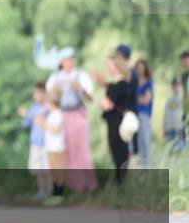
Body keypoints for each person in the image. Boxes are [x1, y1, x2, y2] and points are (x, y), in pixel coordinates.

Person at [46, 48, 98, 192]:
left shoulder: (81, 76)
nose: (70, 62)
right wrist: (55, 91)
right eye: (67, 59)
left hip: (78, 114)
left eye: (72, 59)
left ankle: (87, 185)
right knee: (65, 151)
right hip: (62, 116)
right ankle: (68, 186)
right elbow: (50, 101)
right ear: (61, 62)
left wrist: (81, 89)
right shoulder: (54, 78)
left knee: (81, 150)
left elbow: (91, 98)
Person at [95, 46, 138, 184]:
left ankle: (122, 184)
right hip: (115, 121)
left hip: (117, 122)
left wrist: (105, 101)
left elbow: (105, 104)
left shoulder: (119, 84)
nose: (107, 68)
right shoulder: (118, 84)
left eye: (109, 65)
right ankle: (122, 183)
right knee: (121, 154)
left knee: (119, 154)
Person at [18, 82, 51, 199]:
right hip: (35, 142)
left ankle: (49, 192)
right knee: (38, 169)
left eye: (39, 93)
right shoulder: (34, 108)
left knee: (47, 169)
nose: (36, 95)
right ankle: (42, 191)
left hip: (47, 143)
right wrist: (24, 116)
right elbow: (27, 124)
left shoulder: (48, 107)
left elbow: (39, 119)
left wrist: (28, 115)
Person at [42, 85, 67, 205]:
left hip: (57, 147)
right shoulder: (51, 114)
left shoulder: (58, 114)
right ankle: (54, 193)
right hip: (51, 147)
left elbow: (56, 129)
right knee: (53, 171)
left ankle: (59, 194)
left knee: (58, 171)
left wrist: (44, 124)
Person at [133, 58, 154, 165]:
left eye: (142, 67)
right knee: (137, 144)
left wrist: (135, 98)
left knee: (145, 142)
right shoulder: (134, 83)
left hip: (144, 115)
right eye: (138, 67)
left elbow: (146, 100)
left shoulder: (148, 83)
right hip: (134, 115)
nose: (139, 69)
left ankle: (148, 168)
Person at [163, 77, 185, 152]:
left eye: (179, 85)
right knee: (170, 151)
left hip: (180, 128)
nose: (177, 87)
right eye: (175, 85)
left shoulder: (184, 99)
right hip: (169, 129)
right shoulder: (169, 100)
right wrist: (164, 129)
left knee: (180, 150)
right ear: (172, 87)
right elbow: (166, 115)